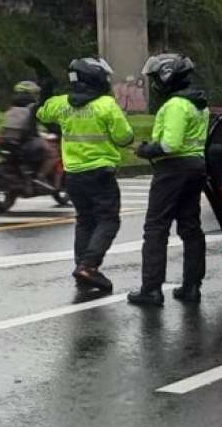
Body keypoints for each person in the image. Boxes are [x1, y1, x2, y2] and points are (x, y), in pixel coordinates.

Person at [37, 58, 135, 293]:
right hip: (101, 174)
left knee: (84, 220)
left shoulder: (61, 104)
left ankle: (82, 269)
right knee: (108, 220)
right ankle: (89, 266)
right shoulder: (106, 105)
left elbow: (42, 113)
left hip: (73, 176)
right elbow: (125, 137)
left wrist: (46, 87)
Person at [127, 54, 210, 307]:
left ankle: (151, 289)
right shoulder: (198, 104)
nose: (153, 85)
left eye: (155, 79)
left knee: (156, 228)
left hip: (172, 169)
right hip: (196, 166)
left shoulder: (175, 105)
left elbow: (170, 144)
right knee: (190, 227)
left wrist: (146, 149)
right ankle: (192, 286)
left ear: (167, 76)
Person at [0, 80, 57, 186]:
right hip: (26, 141)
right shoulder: (33, 107)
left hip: (7, 139)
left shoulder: (11, 106)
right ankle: (41, 176)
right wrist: (56, 129)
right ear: (31, 93)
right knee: (52, 154)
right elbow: (41, 124)